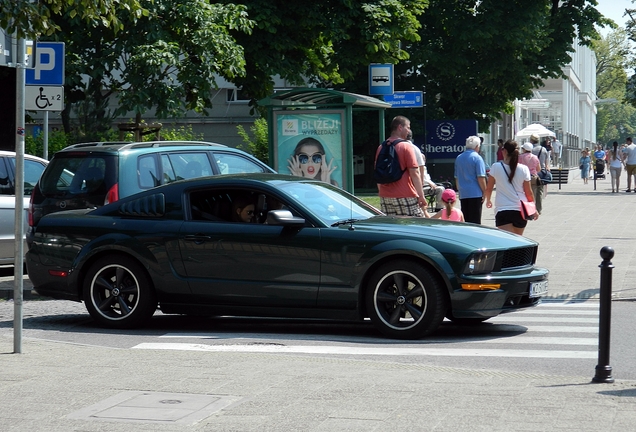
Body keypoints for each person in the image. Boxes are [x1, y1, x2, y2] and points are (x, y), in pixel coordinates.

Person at [375, 115, 430, 217]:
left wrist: (381, 192)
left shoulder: (381, 147)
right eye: (408, 127)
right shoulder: (406, 146)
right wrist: (421, 196)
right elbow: (415, 173)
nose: (409, 131)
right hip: (405, 195)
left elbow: (378, 173)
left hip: (385, 196)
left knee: (392, 229)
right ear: (400, 127)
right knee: (415, 227)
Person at [485, 140, 537, 235]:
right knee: (518, 241)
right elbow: (528, 192)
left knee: (507, 242)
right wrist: (533, 209)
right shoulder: (524, 169)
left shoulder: (495, 167)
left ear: (504, 151)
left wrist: (488, 200)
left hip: (503, 209)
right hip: (520, 210)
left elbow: (489, 188)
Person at [454, 135, 487, 224]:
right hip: (475, 193)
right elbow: (480, 177)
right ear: (477, 146)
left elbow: (456, 177)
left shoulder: (459, 157)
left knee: (465, 220)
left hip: (463, 193)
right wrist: (485, 191)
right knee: (475, 221)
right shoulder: (477, 158)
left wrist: (459, 190)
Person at [530, 133, 550, 215]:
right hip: (541, 172)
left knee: (531, 191)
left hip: (532, 173)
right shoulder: (543, 149)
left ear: (531, 140)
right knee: (540, 191)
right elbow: (546, 162)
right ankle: (539, 209)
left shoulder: (530, 150)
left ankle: (532, 209)